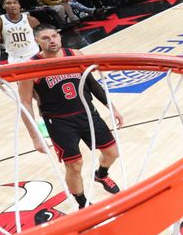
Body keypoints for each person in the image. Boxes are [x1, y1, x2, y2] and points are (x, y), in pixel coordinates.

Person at [17, 24, 123, 212]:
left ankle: (101, 174)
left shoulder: (76, 55)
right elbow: (25, 103)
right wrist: (35, 137)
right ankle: (82, 203)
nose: (51, 40)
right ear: (36, 41)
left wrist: (112, 107)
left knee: (112, 153)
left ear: (59, 36)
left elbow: (91, 83)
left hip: (87, 114)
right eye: (45, 38)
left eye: (54, 36)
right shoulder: (30, 67)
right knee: (74, 165)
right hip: (59, 121)